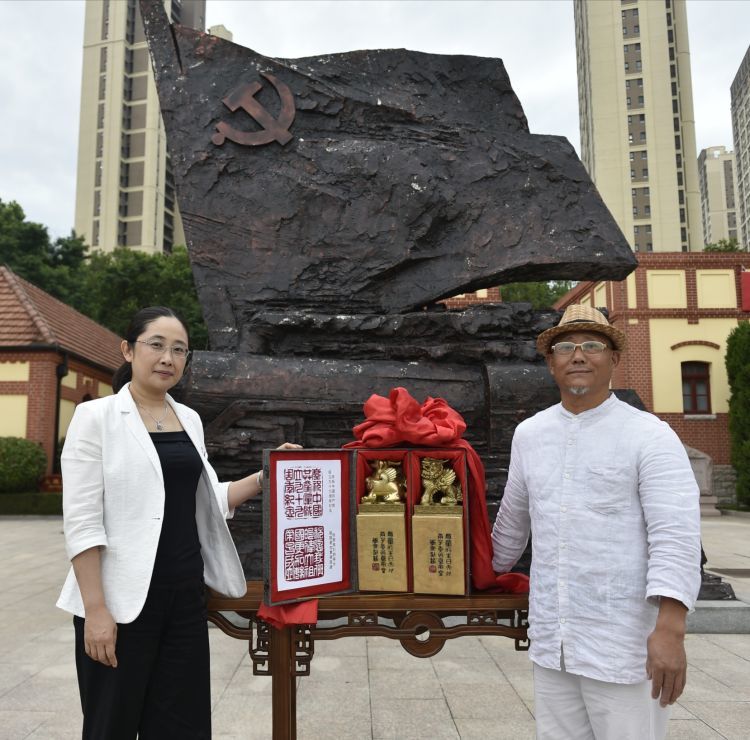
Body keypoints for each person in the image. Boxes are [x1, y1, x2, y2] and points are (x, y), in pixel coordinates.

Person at [56, 306, 299, 739]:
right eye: (156, 345)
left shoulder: (188, 419)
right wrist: (96, 610)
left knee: (181, 727)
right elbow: (82, 523)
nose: (168, 358)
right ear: (128, 350)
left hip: (185, 598)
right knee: (111, 725)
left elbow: (205, 501)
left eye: (179, 350)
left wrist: (267, 476)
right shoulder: (97, 418)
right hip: (121, 604)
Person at [491, 304, 701, 740]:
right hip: (555, 642)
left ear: (614, 359)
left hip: (624, 644)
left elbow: (676, 535)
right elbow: (511, 525)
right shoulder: (530, 435)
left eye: (592, 345)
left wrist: (670, 628)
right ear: (551, 363)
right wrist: (468, 573)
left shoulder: (649, 435)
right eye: (565, 346)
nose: (579, 355)